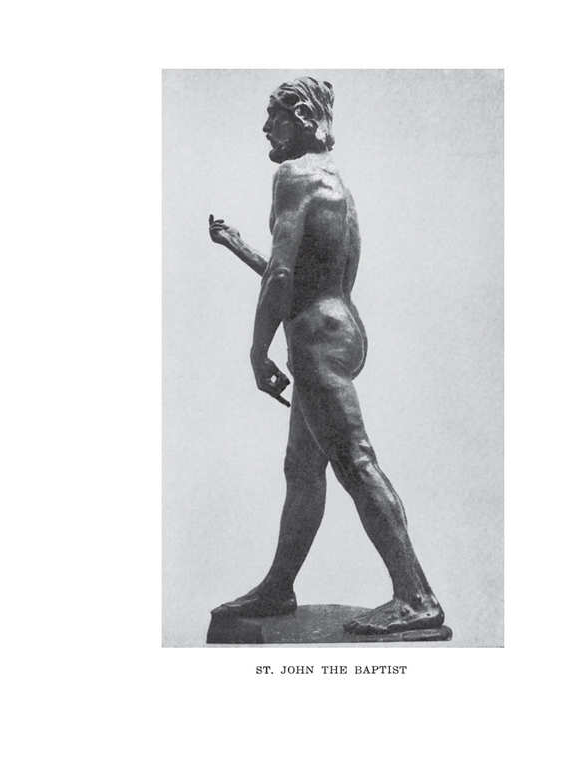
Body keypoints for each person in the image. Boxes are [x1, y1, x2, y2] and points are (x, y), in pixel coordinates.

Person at [207, 77, 444, 634]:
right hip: (337, 327)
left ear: (303, 118)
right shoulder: (331, 180)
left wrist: (257, 350)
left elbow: (283, 277)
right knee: (303, 470)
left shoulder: (292, 175)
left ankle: (416, 597)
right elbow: (302, 275)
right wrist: (238, 244)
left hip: (315, 341)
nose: (266, 128)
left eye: (275, 117)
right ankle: (278, 587)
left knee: (355, 463)